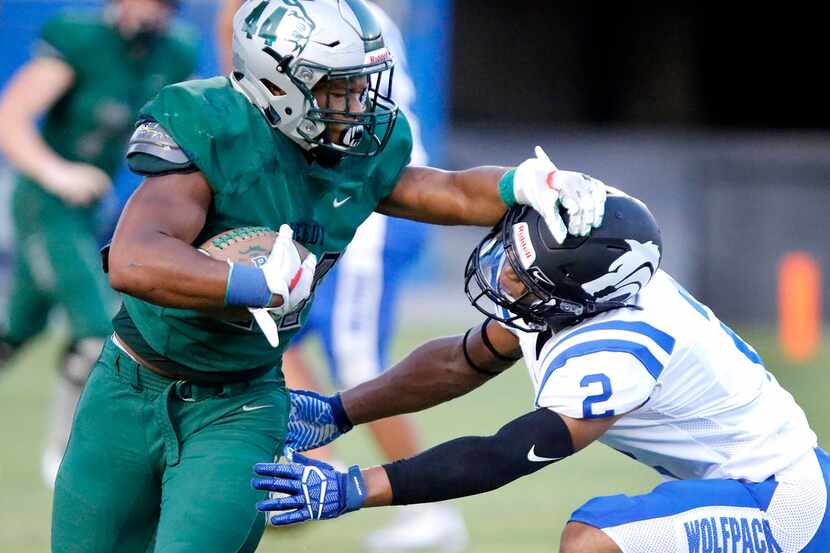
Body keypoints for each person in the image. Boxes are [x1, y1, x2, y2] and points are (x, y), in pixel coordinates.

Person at [50, 1, 607, 552]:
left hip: (238, 404)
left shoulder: (363, 148)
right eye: (337, 88)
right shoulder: (210, 121)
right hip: (127, 384)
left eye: (361, 86)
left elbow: (446, 190)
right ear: (276, 83)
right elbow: (135, 259)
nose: (358, 105)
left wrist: (526, 184)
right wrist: (253, 286)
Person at [254, 190, 829, 553]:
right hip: (738, 483)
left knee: (593, 541)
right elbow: (462, 359)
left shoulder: (619, 348)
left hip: (782, 500)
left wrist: (358, 487)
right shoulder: (577, 295)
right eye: (512, 253)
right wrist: (340, 412)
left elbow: (507, 453)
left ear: (579, 296)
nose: (504, 275)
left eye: (525, 274)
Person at [216, 0, 467, 549]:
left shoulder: (338, 23)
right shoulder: (308, 18)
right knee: (270, 326)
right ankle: (307, 458)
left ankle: (430, 509)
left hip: (371, 206)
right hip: (329, 200)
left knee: (355, 358)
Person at [0, 0, 197, 487]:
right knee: (100, 326)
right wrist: (57, 172)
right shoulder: (80, 39)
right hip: (46, 204)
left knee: (16, 327)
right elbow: (12, 118)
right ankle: (65, 454)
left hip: (93, 210)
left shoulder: (172, 52)